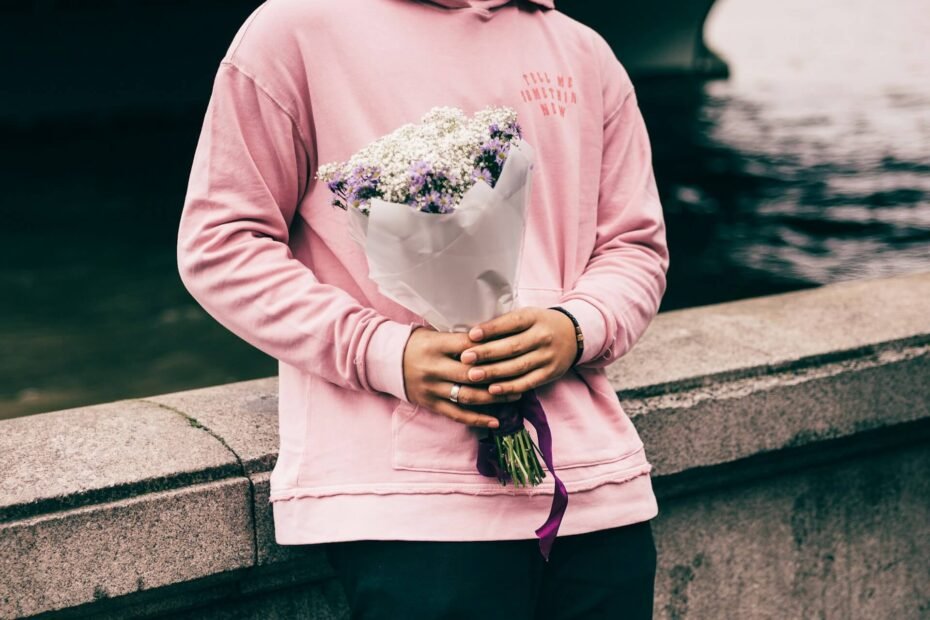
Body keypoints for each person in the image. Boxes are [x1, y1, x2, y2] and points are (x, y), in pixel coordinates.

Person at [177, 0, 670, 617]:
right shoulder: (294, 27)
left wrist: (578, 327)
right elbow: (219, 244)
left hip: (598, 490)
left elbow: (634, 245)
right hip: (406, 508)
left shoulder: (583, 49)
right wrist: (386, 352)